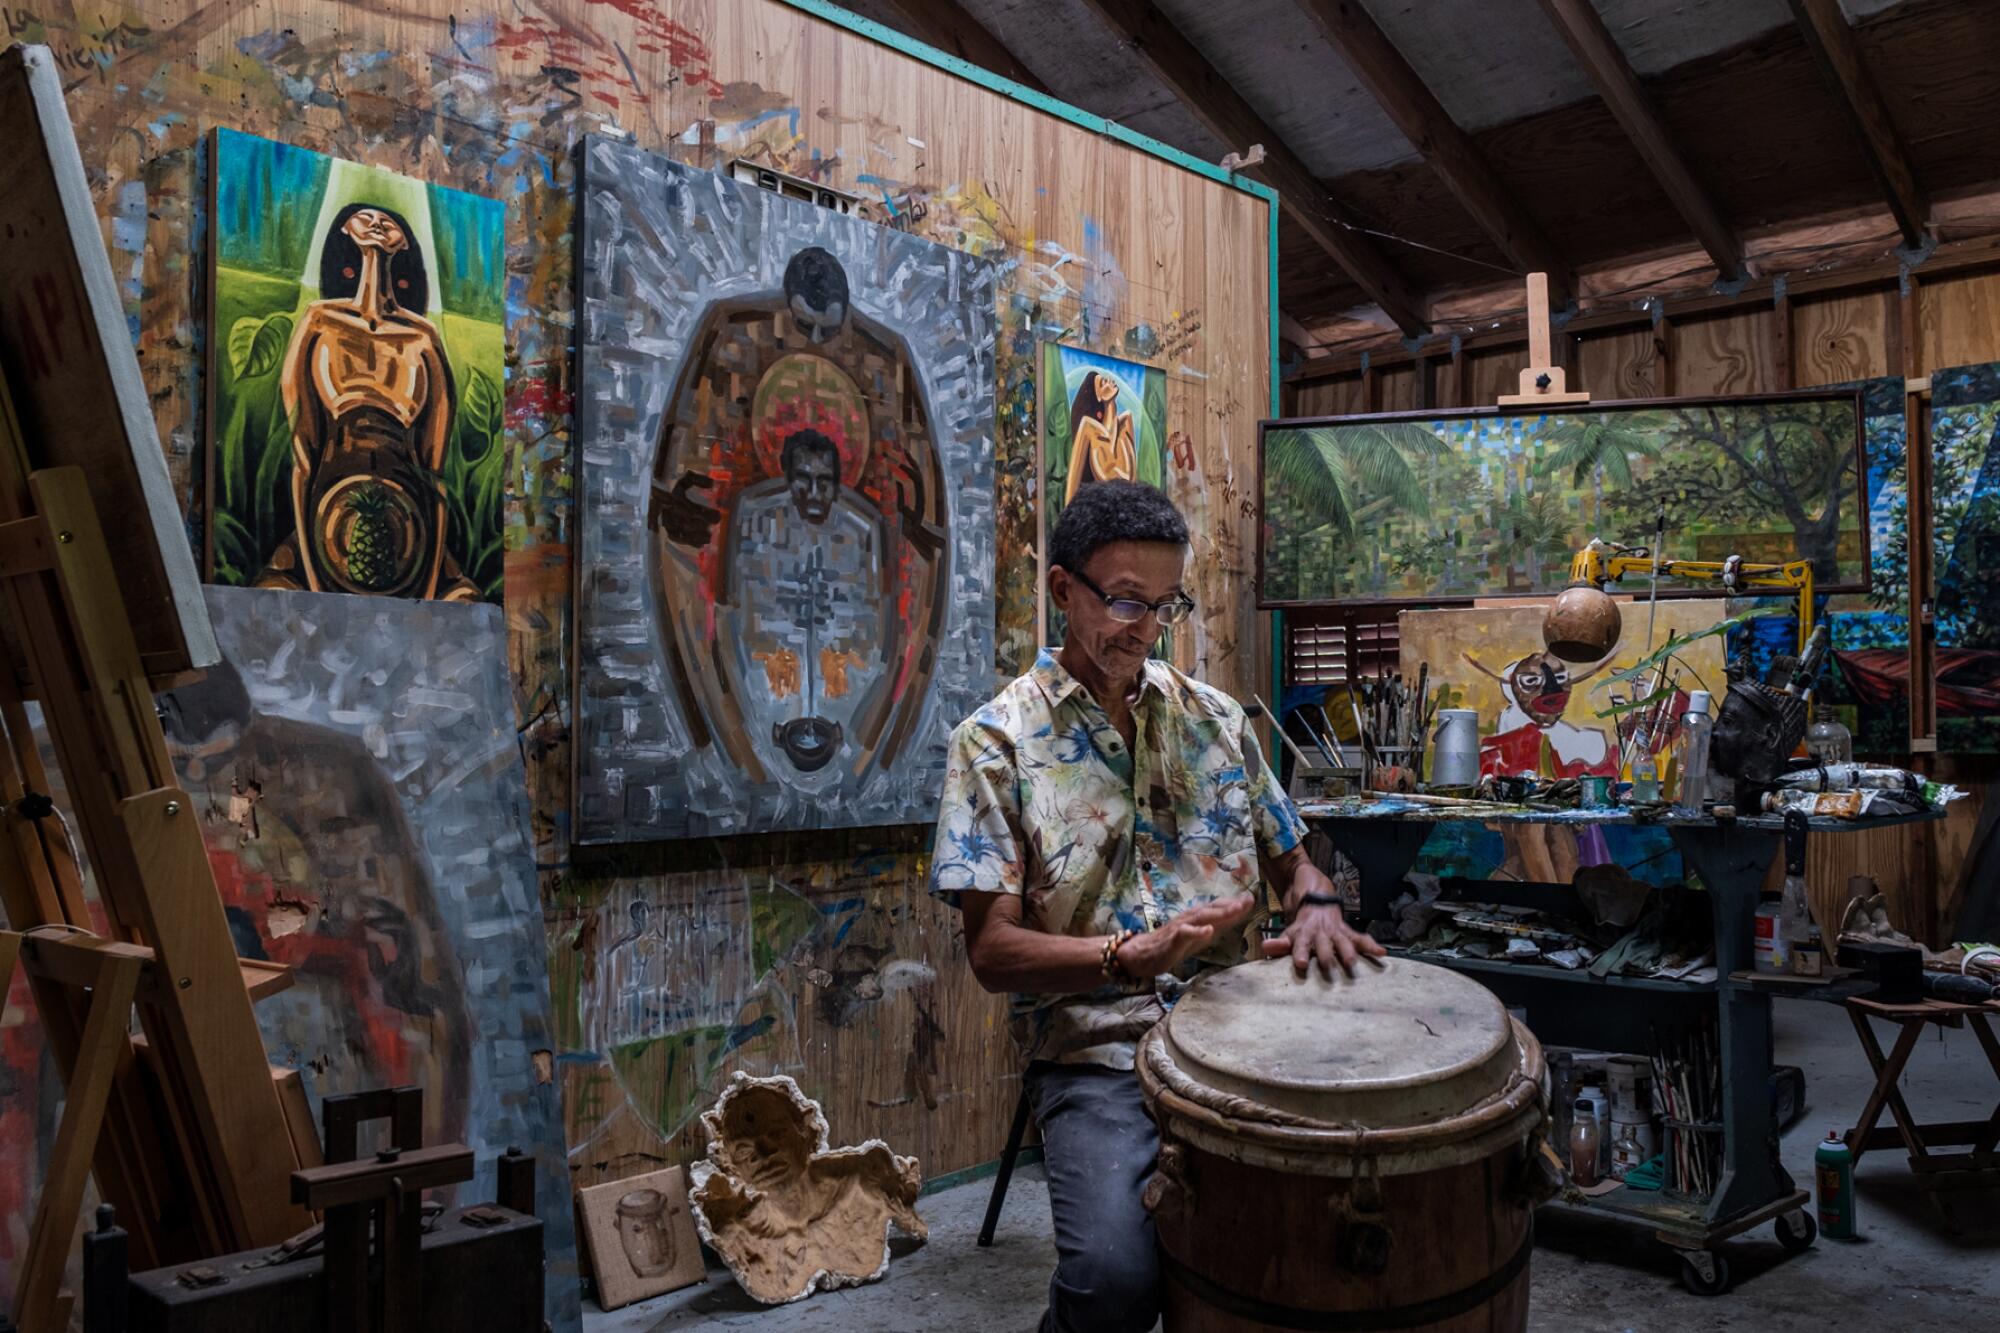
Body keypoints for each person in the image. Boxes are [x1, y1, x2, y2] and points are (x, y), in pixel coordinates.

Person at [930, 480, 1384, 1333]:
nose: (1141, 626)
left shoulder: (1215, 718)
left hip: (1238, 1027)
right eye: (1125, 599)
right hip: (1096, 1050)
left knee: (1321, 1240)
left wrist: (1316, 900)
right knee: (1112, 1283)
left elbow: (1292, 859)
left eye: (1163, 604)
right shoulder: (994, 743)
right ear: (1065, 590)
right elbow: (992, 953)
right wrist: (1122, 959)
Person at [261, 203, 478, 601]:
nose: (377, 223)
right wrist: (313, 580)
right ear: (344, 230)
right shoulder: (318, 320)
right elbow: (303, 459)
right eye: (365, 217)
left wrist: (429, 592)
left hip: (408, 528)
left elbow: (435, 473)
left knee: (463, 603)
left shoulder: (424, 337)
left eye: (388, 221)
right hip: (324, 520)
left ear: (404, 242)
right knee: (274, 595)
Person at [1062, 369, 1138, 504]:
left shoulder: (1126, 422)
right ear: (1098, 397)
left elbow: (1135, 486)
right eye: (1103, 383)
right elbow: (1073, 485)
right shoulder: (1088, 428)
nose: (1110, 381)